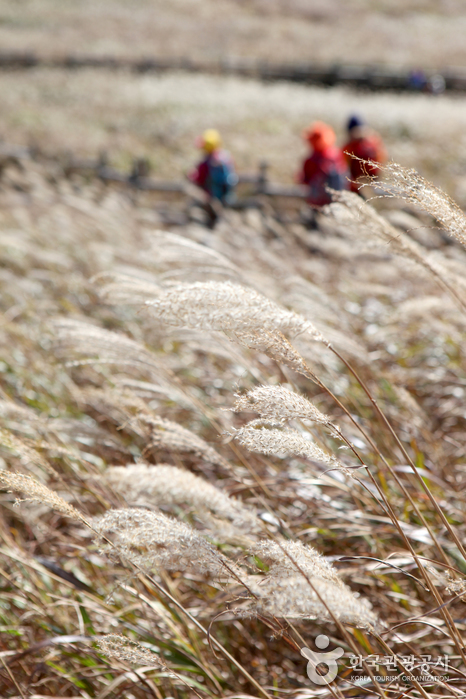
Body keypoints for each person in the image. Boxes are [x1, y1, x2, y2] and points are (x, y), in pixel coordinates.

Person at [298, 121, 348, 208]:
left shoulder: (312, 159)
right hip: (338, 200)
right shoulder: (336, 154)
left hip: (317, 202)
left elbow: (304, 180)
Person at [189, 129, 238, 204]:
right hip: (228, 195)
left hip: (212, 197)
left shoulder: (207, 162)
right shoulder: (227, 156)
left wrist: (191, 176)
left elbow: (199, 179)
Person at [343, 115, 387, 192]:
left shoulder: (373, 142)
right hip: (357, 186)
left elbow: (381, 160)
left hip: (372, 184)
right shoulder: (349, 147)